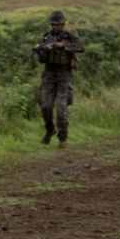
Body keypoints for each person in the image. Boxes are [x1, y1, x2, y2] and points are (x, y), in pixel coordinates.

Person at [34, 10, 85, 146]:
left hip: (64, 74)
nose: (55, 27)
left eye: (57, 24)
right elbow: (42, 60)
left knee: (61, 107)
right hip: (49, 74)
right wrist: (43, 51)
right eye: (53, 24)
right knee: (45, 105)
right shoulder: (46, 37)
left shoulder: (70, 36)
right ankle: (50, 130)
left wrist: (64, 46)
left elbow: (81, 47)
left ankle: (63, 138)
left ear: (63, 24)